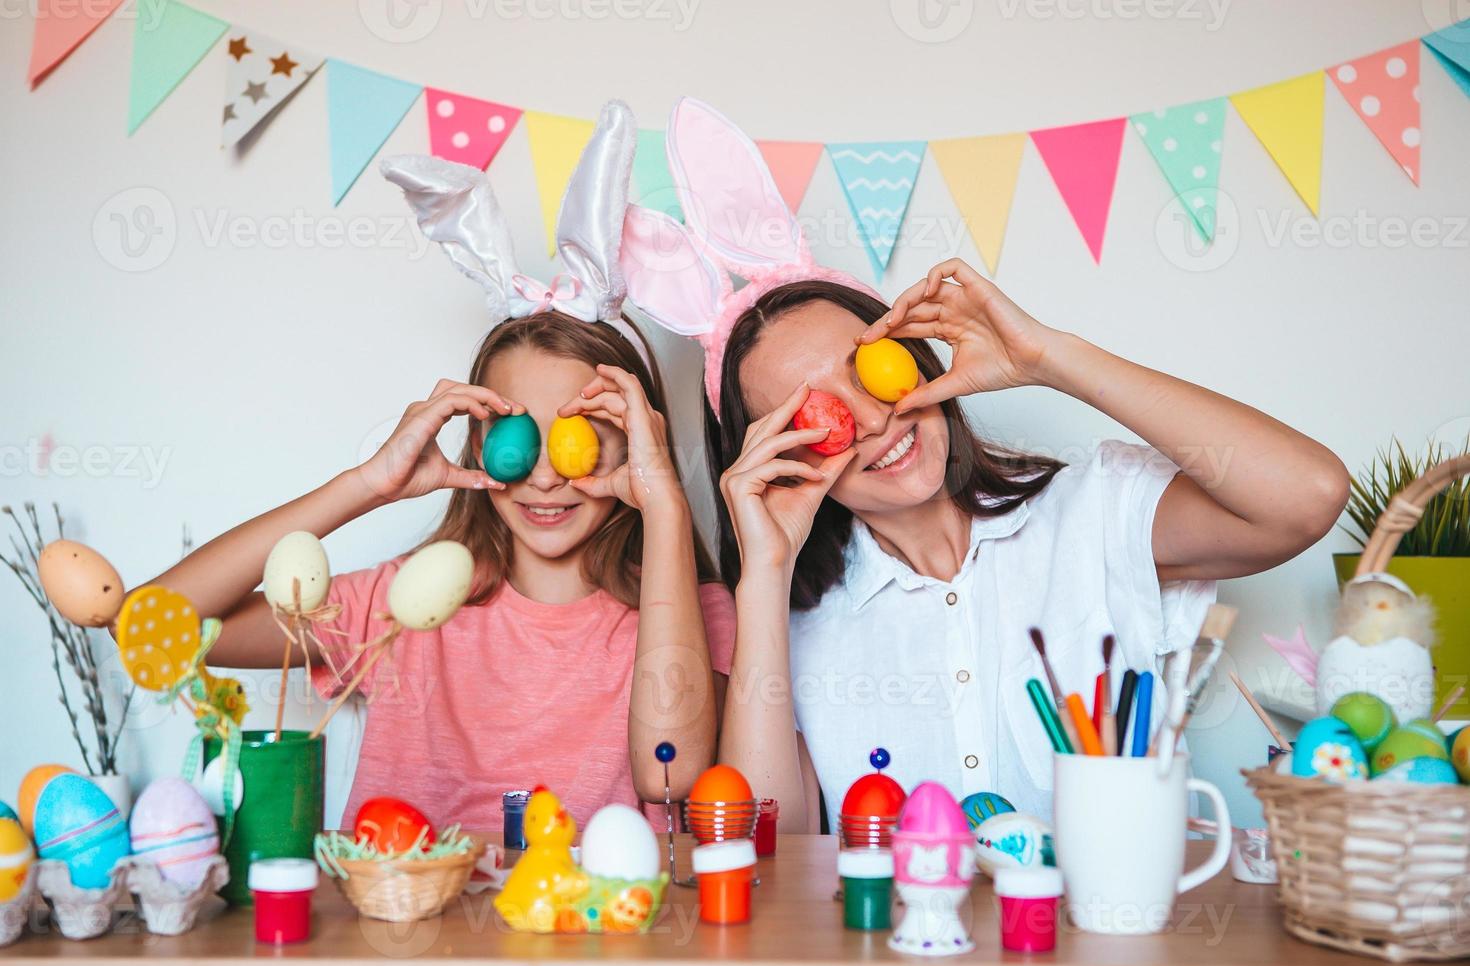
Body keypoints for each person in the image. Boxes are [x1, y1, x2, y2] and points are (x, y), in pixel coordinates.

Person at [622, 97, 1347, 829]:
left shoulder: (1091, 510)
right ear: (774, 461)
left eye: (873, 370)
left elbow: (1308, 496)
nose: (876, 420)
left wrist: (1049, 357)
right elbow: (758, 840)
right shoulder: (790, 624)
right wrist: (764, 573)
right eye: (818, 417)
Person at [146, 102, 732, 830]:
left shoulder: (691, 615)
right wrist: (366, 485)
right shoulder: (405, 608)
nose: (545, 475)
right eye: (517, 436)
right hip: (407, 931)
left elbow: (670, 775)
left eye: (580, 434)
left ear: (635, 443)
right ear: (477, 442)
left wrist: (666, 506)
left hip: (597, 941)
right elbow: (156, 626)